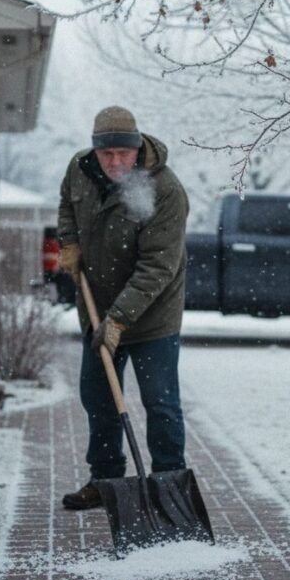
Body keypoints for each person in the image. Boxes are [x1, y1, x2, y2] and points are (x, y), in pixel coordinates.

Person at [56, 105, 190, 510]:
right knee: (98, 397)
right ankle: (107, 480)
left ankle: (169, 485)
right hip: (97, 307)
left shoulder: (164, 190)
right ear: (95, 151)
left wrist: (118, 319)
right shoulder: (79, 171)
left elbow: (157, 267)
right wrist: (69, 243)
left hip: (152, 315)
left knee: (159, 402)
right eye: (106, 154)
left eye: (123, 154)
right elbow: (67, 205)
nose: (115, 162)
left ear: (137, 147)